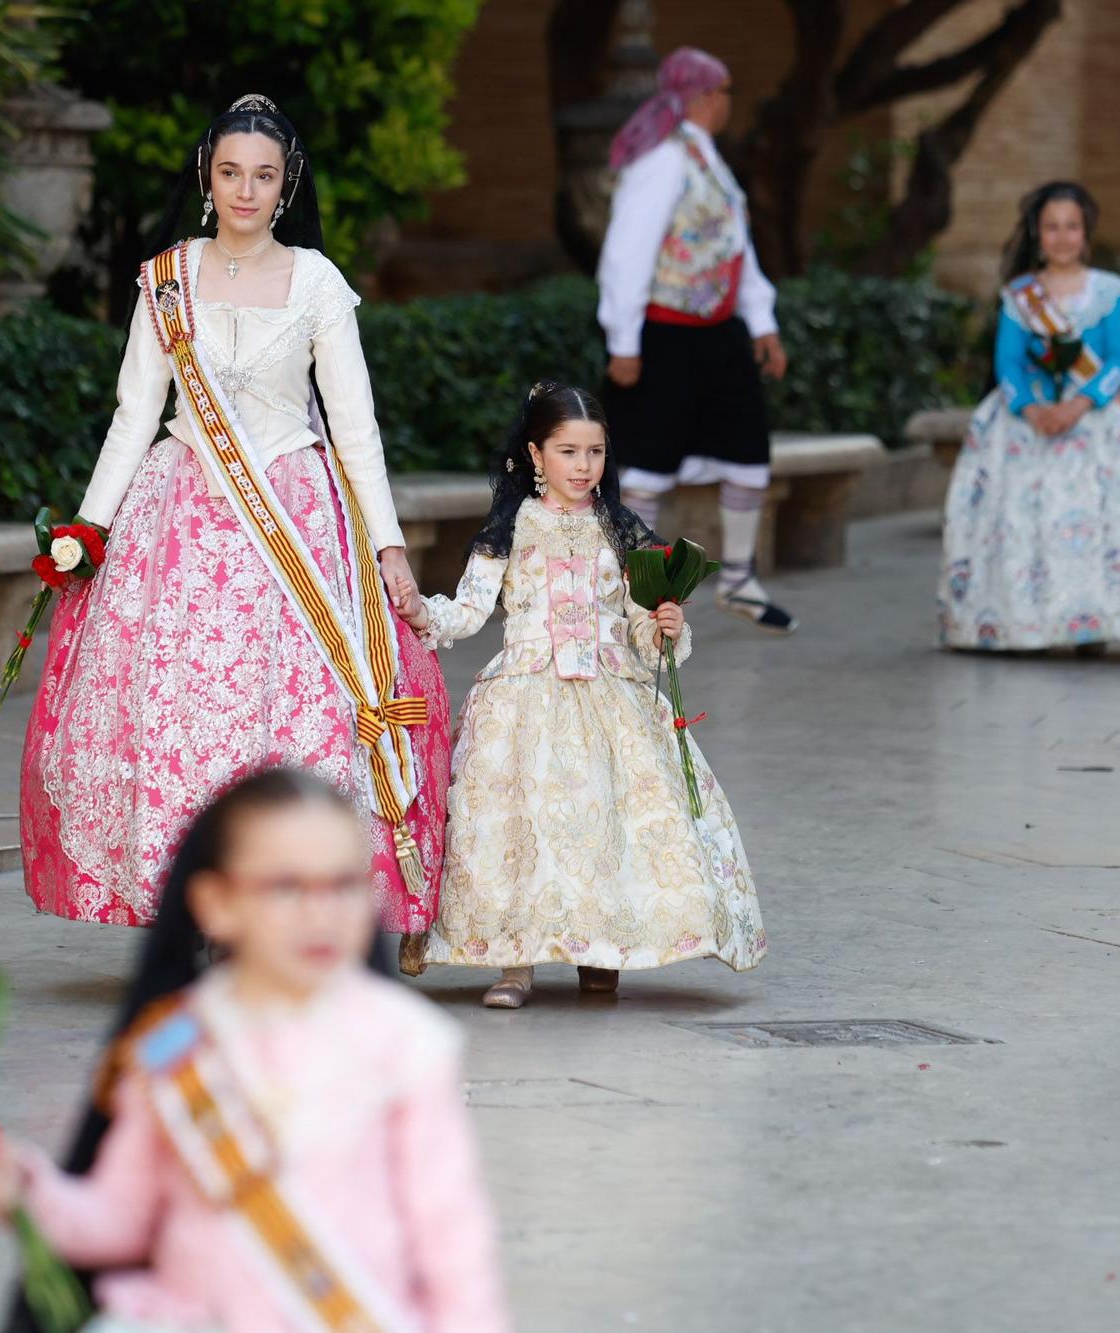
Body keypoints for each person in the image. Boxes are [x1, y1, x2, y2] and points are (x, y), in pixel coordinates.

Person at [18, 95, 451, 941]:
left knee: (290, 714)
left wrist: (388, 544)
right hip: (178, 516)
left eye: (263, 175)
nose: (245, 191)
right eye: (230, 173)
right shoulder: (166, 278)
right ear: (207, 179)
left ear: (286, 186)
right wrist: (87, 529)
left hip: (296, 517)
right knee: (180, 712)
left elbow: (356, 428)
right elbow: (133, 415)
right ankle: (200, 903)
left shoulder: (319, 283)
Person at [0, 767, 512, 1331]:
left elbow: (454, 1246)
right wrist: (27, 1192)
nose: (321, 913)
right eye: (286, 887)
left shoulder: (405, 1046)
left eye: (344, 884)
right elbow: (123, 1219)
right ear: (215, 903)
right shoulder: (173, 1045)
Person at [401, 382, 766, 1008]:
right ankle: (515, 961)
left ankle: (601, 953)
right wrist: (417, 612)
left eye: (595, 452)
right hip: (525, 695)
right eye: (568, 451)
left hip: (610, 693)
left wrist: (663, 626)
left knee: (605, 822)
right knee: (522, 825)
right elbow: (468, 611)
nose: (583, 466)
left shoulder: (620, 530)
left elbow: (641, 626)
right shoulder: (509, 529)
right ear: (536, 455)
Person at [937, 181, 1120, 652]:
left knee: (1107, 515)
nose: (1062, 237)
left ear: (1086, 232)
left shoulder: (1109, 290)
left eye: (1071, 227)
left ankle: (1097, 622)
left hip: (1102, 411)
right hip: (1031, 416)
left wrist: (1080, 403)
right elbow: (1008, 363)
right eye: (1051, 227)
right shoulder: (1020, 297)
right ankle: (1025, 619)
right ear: (1038, 234)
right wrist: (1031, 408)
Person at [597, 46, 796, 634]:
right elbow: (627, 252)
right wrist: (623, 339)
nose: (730, 102)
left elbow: (736, 250)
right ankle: (637, 591)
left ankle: (738, 579)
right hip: (665, 334)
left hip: (718, 333)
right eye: (727, 90)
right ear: (706, 96)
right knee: (650, 461)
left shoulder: (708, 158)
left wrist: (762, 322)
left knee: (747, 452)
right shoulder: (662, 159)